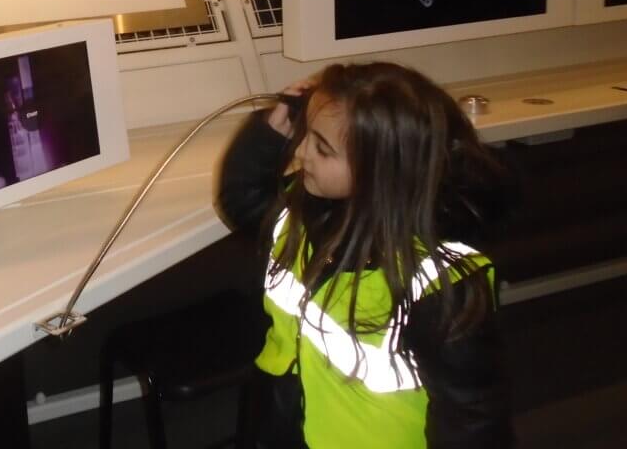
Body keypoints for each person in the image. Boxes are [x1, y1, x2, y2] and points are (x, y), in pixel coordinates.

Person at [218, 61, 515, 449]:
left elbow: (473, 417)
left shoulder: (438, 282)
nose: (301, 152)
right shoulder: (307, 210)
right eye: (305, 134)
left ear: (380, 169)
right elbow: (243, 199)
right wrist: (270, 132)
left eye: (322, 148)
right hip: (286, 422)